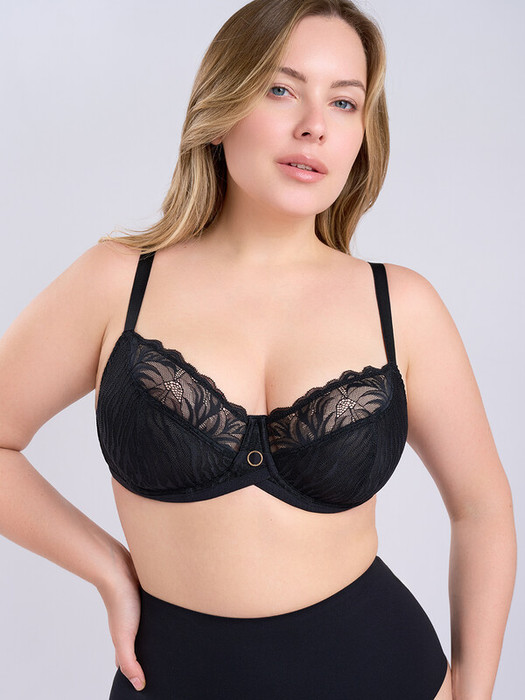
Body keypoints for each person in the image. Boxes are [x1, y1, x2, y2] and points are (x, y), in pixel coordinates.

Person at [0, 0, 517, 698]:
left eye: (343, 102)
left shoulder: (401, 305)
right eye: (281, 89)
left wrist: (474, 692)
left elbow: (481, 509)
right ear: (222, 105)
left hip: (384, 674)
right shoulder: (117, 281)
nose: (314, 125)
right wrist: (108, 568)